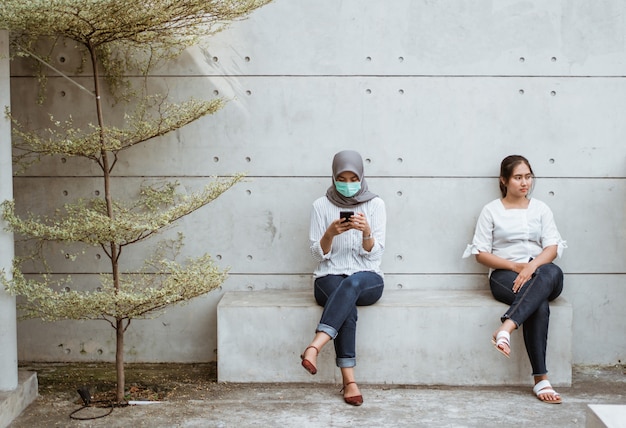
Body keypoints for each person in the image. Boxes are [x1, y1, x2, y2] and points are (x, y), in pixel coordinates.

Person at [463, 155, 567, 404]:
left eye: (528, 177)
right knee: (538, 303)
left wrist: (531, 267)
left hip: (540, 272)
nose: (525, 183)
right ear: (504, 180)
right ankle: (541, 379)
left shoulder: (541, 209)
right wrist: (514, 266)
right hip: (505, 276)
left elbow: (552, 247)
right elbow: (480, 253)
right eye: (518, 177)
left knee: (552, 270)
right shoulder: (491, 210)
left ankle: (506, 327)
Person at [300, 149, 386, 406]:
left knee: (353, 282)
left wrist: (367, 233)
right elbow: (318, 255)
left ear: (361, 176)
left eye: (353, 178)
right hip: (328, 277)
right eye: (342, 178)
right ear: (333, 176)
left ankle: (315, 346)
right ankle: (350, 382)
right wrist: (329, 234)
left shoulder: (376, 204)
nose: (348, 185)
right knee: (345, 300)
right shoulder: (321, 206)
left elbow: (375, 256)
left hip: (368, 278)